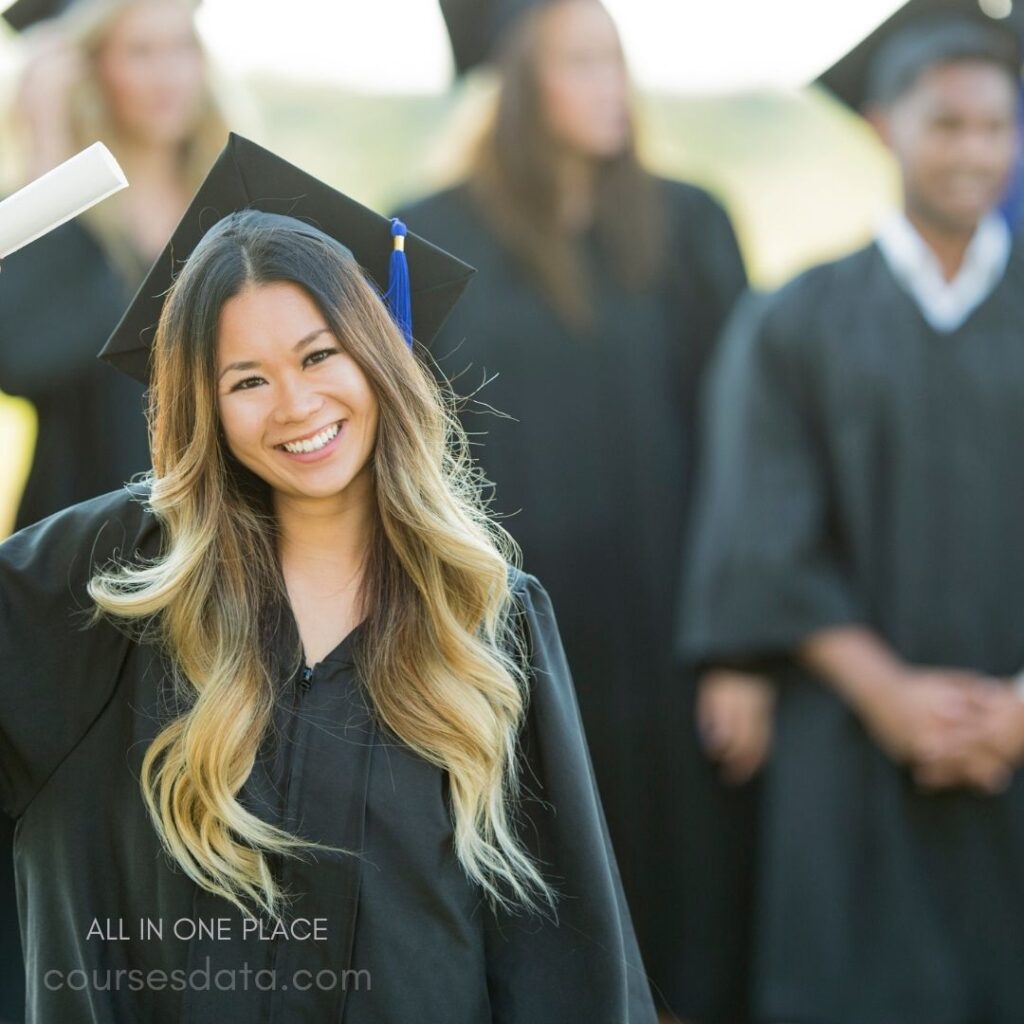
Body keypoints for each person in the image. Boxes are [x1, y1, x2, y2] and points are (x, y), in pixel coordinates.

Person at [0, 132, 656, 1023]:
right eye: (246, 380)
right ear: (205, 403)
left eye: (318, 356)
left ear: (378, 354)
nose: (298, 406)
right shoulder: (112, 585)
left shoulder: (482, 614)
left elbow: (564, 953)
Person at [397, 2, 751, 1019]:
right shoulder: (423, 233)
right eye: (582, 63)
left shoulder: (690, 221)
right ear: (516, 83)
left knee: (694, 901)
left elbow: (744, 444)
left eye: (616, 61)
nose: (614, 86)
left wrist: (742, 645)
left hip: (677, 627)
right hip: (510, 637)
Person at [681, 11, 1024, 1023]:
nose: (972, 151)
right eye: (946, 123)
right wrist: (889, 696)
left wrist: (1016, 711)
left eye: (995, 127)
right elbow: (761, 534)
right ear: (883, 125)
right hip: (850, 750)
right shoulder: (796, 317)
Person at [0, 2, 227, 1016]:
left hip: (227, 546)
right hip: (91, 546)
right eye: (141, 49)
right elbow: (24, 351)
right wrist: (52, 147)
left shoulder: (236, 204)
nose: (171, 71)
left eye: (183, 44)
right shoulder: (58, 213)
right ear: (94, 71)